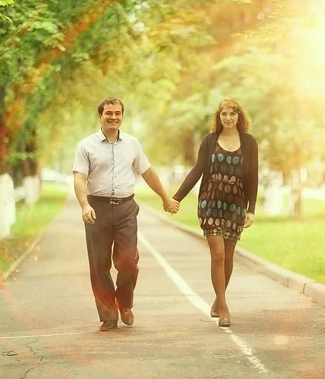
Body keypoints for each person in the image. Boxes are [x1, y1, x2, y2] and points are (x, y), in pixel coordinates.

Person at [73, 97, 179, 331]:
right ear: (100, 115)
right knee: (99, 264)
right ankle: (108, 315)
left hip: (125, 209)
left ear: (122, 116)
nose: (113, 117)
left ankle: (125, 303)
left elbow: (148, 172)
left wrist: (165, 198)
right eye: (108, 113)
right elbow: (79, 178)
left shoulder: (132, 144)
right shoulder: (86, 146)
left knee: (128, 261)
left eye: (117, 113)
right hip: (97, 209)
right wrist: (84, 205)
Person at [173, 98, 258, 327]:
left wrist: (251, 209)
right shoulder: (210, 141)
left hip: (235, 206)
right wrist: (176, 197)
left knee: (229, 257)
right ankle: (224, 307)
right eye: (223, 114)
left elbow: (252, 176)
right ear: (218, 117)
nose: (228, 118)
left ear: (239, 117)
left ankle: (217, 300)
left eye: (232, 114)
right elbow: (197, 170)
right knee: (218, 255)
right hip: (210, 204)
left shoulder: (249, 143)